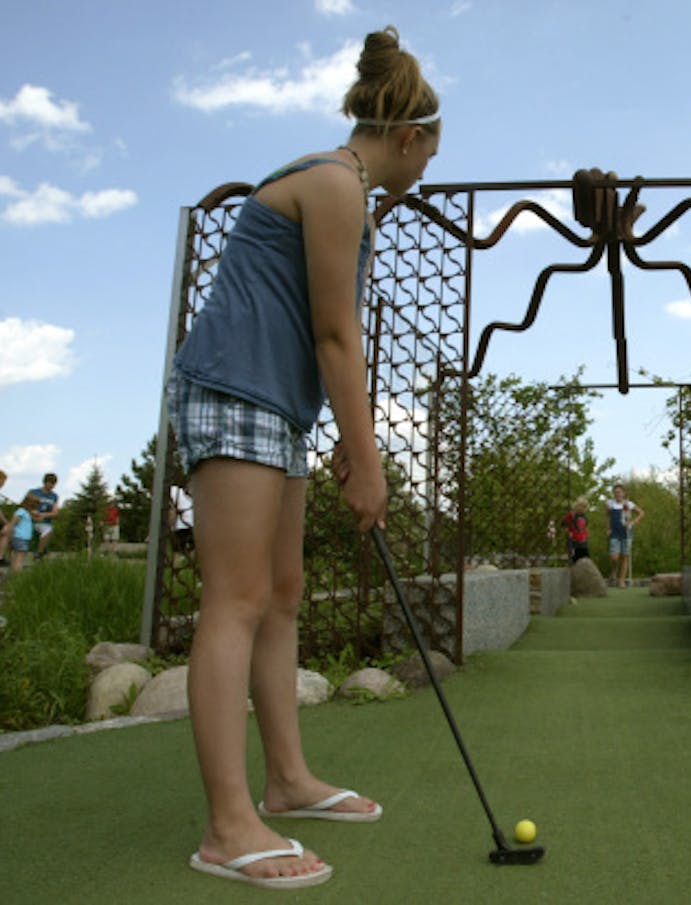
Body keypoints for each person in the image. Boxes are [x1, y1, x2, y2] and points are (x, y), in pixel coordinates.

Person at [165, 26, 439, 889]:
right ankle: (226, 826)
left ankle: (285, 781)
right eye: (429, 154)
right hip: (234, 392)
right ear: (408, 138)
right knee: (237, 600)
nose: (425, 170)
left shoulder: (342, 186)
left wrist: (345, 447)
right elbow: (335, 332)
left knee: (280, 594)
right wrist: (368, 458)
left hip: (273, 406)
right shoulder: (331, 183)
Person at [606, 483, 645, 587]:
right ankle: (614, 569)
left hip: (627, 533)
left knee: (624, 556)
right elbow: (607, 516)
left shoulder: (629, 504)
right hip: (614, 532)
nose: (617, 494)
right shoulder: (610, 503)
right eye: (615, 492)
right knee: (614, 557)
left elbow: (641, 513)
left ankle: (621, 580)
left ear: (623, 493)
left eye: (619, 492)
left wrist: (632, 523)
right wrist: (608, 528)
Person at [8, 493, 42, 572]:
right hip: (19, 537)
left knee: (18, 556)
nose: (36, 507)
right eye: (35, 504)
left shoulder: (27, 513)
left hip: (24, 538)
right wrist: (10, 538)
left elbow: (39, 519)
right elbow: (12, 524)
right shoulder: (21, 511)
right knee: (20, 557)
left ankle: (14, 574)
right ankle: (17, 575)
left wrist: (36, 513)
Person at [30, 473, 60, 559]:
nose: (52, 485)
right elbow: (25, 507)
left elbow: (55, 512)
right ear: (45, 482)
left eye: (54, 484)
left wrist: (43, 515)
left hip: (45, 522)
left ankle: (39, 553)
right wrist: (33, 513)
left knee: (48, 530)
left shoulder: (54, 496)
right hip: (31, 520)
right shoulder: (34, 492)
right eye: (50, 483)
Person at [559, 497, 590, 563]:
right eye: (580, 505)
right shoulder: (571, 515)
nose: (581, 508)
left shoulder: (584, 517)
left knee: (584, 558)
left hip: (582, 541)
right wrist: (567, 532)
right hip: (573, 540)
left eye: (584, 507)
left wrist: (585, 535)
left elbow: (584, 527)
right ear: (576, 505)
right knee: (574, 558)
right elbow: (563, 523)